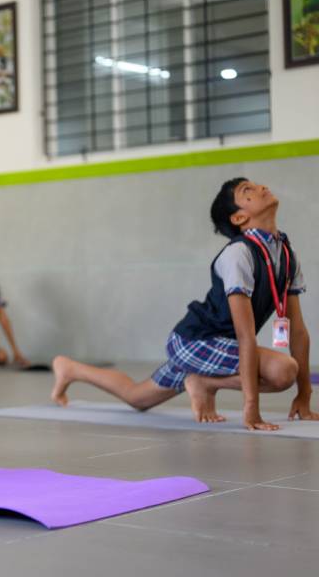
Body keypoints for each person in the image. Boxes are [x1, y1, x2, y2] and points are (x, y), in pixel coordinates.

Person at [51, 178, 318, 430]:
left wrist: (305, 395)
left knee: (137, 397)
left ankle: (70, 368)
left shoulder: (285, 253)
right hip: (195, 342)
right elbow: (245, 334)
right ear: (239, 218)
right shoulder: (238, 254)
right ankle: (202, 382)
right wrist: (251, 408)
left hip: (218, 348)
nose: (261, 187)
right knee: (283, 370)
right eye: (247, 191)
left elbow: (298, 332)